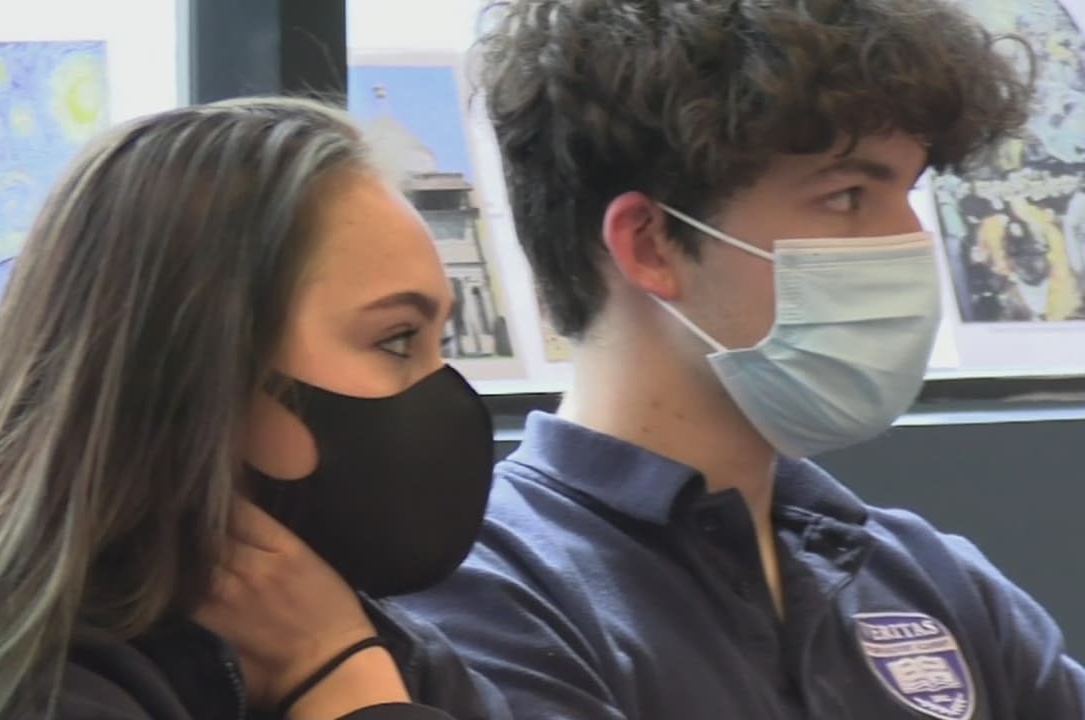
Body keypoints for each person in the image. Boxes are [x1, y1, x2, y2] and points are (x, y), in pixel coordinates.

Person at [397, 1, 1085, 718]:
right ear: (650, 244)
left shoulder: (936, 580)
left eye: (908, 193)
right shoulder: (488, 595)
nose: (909, 242)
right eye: (847, 196)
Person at [0, 97, 508, 720]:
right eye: (396, 340)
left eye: (440, 342)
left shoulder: (390, 644)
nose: (444, 393)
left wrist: (342, 658)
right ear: (199, 370)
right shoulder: (11, 690)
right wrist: (341, 682)